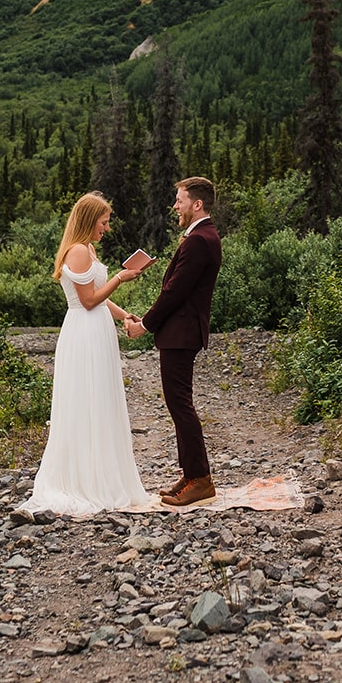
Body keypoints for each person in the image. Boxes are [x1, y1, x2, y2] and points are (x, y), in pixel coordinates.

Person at [20, 192, 152, 516]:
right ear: (89, 219)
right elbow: (89, 300)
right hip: (83, 332)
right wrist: (121, 277)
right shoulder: (77, 251)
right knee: (85, 402)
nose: (106, 228)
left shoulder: (89, 249)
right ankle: (84, 482)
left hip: (97, 330)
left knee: (100, 401)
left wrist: (125, 316)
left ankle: (101, 475)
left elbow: (101, 300)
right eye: (104, 222)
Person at [125, 176, 222, 507]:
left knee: (180, 404)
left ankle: (201, 479)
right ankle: (191, 474)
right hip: (181, 331)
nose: (175, 206)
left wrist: (145, 325)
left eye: (179, 201)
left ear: (197, 204)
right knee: (178, 403)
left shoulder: (199, 240)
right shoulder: (200, 236)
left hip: (181, 333)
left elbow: (175, 291)